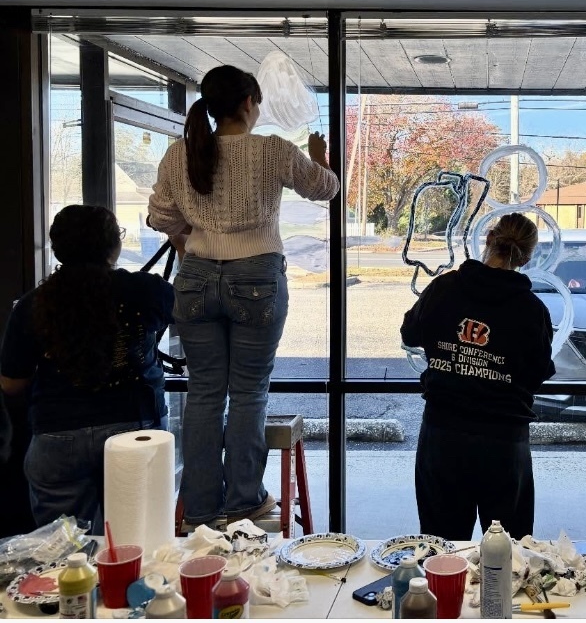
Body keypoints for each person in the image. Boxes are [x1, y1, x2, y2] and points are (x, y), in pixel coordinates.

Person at [148, 64, 339, 527]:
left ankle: (199, 508)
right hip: (256, 276)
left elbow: (159, 213)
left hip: (194, 278)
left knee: (204, 392)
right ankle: (243, 500)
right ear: (249, 103)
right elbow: (325, 189)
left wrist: (190, 243)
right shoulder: (273, 150)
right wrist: (321, 158)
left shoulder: (181, 153)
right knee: (249, 393)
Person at [0, 205, 174, 531]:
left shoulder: (31, 305)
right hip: (135, 428)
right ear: (114, 245)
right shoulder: (146, 291)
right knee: (139, 544)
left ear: (57, 247)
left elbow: (11, 383)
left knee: (62, 554)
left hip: (57, 437)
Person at [401, 212, 555, 540]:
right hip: (503, 445)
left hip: (443, 438)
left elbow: (410, 333)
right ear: (526, 257)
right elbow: (537, 373)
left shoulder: (443, 289)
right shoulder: (531, 310)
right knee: (507, 558)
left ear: (488, 240)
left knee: (442, 552)